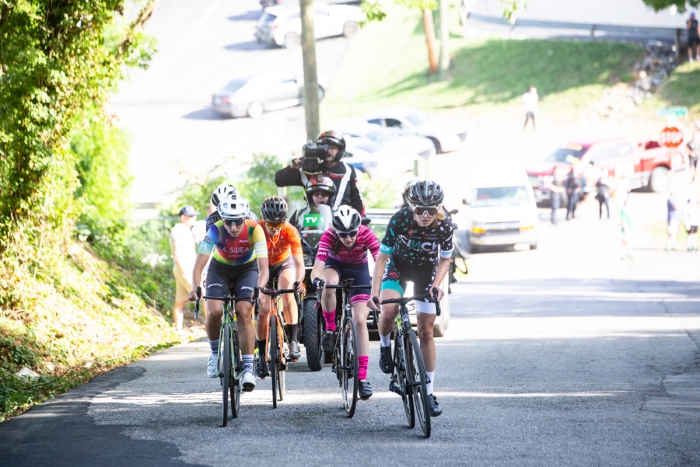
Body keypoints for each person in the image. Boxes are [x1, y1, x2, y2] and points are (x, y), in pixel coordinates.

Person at [367, 181, 454, 417]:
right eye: (419, 210)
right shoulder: (399, 219)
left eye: (431, 210)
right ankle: (385, 347)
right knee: (387, 312)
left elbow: (445, 260)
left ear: (439, 208)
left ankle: (429, 391)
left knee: (426, 331)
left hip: (427, 272)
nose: (425, 216)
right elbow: (382, 258)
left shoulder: (445, 226)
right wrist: (374, 292)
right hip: (399, 268)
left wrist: (436, 285)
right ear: (411, 207)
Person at [188, 194, 269, 391]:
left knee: (243, 311)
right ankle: (215, 355)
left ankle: (249, 369)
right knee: (214, 310)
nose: (233, 227)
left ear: (245, 218)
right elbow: (199, 265)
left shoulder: (255, 229)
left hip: (247, 271)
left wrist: (260, 287)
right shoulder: (214, 230)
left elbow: (264, 268)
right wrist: (195, 287)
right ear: (221, 219)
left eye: (238, 222)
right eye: (229, 222)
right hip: (220, 270)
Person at [310, 205, 380, 400]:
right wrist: (316, 280)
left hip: (359, 271)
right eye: (343, 234)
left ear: (358, 228)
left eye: (352, 233)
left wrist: (379, 287)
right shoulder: (329, 236)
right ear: (335, 231)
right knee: (328, 284)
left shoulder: (367, 235)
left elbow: (381, 262)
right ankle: (331, 329)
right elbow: (317, 267)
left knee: (359, 321)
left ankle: (362, 379)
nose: (348, 238)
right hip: (335, 266)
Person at [254, 196, 306, 378]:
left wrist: (299, 281)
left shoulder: (290, 231)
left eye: (279, 225)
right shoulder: (256, 229)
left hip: (284, 263)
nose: (275, 229)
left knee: (288, 289)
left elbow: (299, 265)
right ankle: (261, 356)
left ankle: (293, 341)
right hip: (262, 266)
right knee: (263, 310)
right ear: (263, 219)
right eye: (271, 225)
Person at [275, 131, 364, 214]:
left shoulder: (347, 170)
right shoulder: (309, 170)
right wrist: (292, 167)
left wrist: (361, 223)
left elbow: (357, 200)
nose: (329, 150)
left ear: (339, 150)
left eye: (333, 148)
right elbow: (279, 180)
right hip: (313, 222)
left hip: (340, 224)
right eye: (325, 147)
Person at [170, 205, 198, 332]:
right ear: (183, 217)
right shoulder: (179, 230)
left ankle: (178, 330)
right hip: (185, 270)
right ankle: (212, 327)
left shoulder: (185, 230)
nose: (194, 218)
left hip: (186, 270)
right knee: (203, 295)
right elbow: (177, 253)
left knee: (180, 301)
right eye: (191, 216)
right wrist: (184, 273)